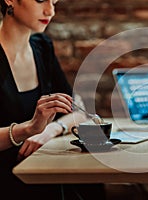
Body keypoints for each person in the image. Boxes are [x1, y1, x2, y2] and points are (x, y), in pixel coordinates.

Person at [0, 0, 104, 199]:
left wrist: (50, 129)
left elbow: (79, 110)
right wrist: (29, 129)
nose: (50, 11)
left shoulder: (42, 46)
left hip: (41, 169)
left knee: (91, 186)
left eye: (54, 1)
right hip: (8, 178)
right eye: (40, 0)